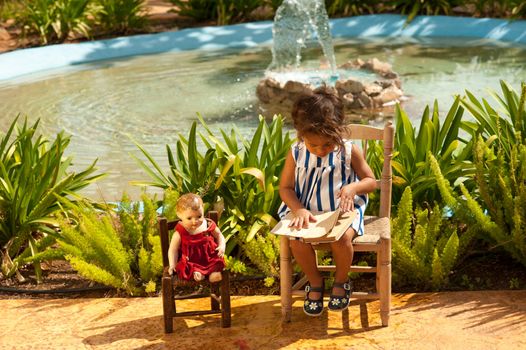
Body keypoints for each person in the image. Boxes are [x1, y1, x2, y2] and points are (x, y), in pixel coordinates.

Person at [278, 85, 377, 316]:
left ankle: (341, 281)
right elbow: (285, 188)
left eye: (327, 144)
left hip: (343, 210)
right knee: (297, 240)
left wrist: (353, 187)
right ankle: (315, 281)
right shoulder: (296, 152)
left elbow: (371, 181)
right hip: (307, 209)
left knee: (341, 239)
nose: (320, 150)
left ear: (338, 132)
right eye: (313, 145)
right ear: (301, 135)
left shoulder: (349, 151)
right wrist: (299, 210)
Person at [168, 193, 226, 283]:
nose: (194, 221)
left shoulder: (207, 224)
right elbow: (173, 250)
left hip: (209, 258)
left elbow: (219, 235)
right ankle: (199, 273)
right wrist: (172, 264)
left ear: (203, 211)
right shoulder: (180, 231)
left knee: (217, 262)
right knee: (186, 268)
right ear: (179, 215)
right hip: (192, 260)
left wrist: (222, 246)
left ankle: (212, 273)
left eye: (199, 216)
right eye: (189, 218)